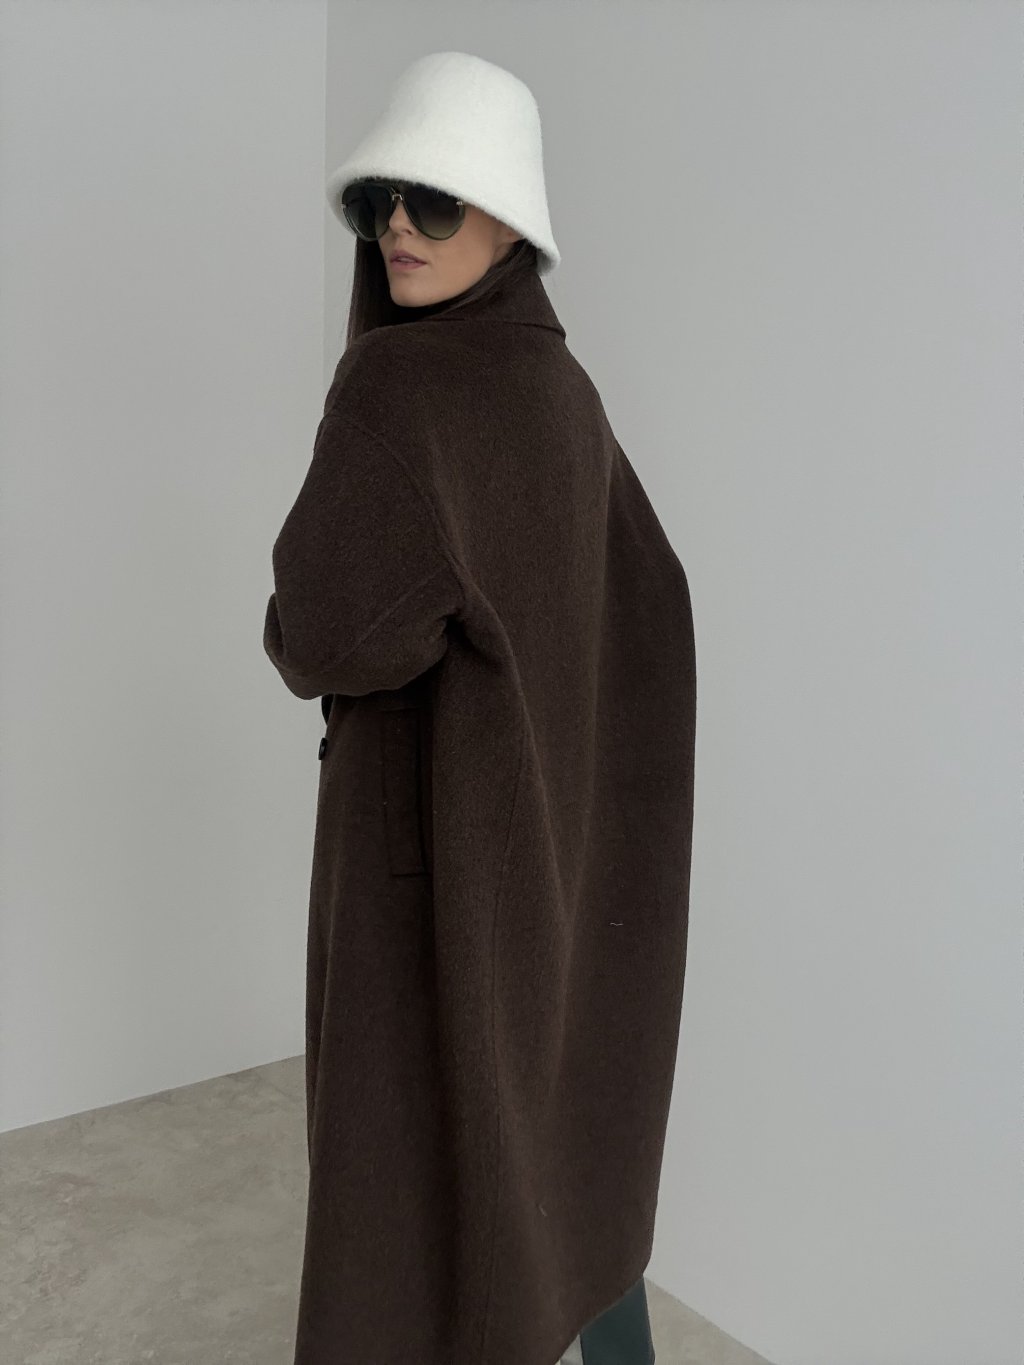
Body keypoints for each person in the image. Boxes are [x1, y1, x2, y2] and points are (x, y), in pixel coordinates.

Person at [263, 50, 694, 1365]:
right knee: (562, 1151)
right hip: (548, 867)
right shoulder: (569, 395)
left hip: (433, 889)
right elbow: (648, 601)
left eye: (436, 200)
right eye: (377, 200)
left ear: (508, 219)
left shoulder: (399, 390)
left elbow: (321, 633)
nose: (398, 225)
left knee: (403, 1204)